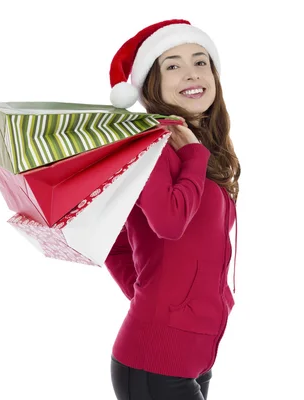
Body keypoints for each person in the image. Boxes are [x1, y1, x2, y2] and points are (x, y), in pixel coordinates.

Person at [104, 19, 240, 400]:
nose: (192, 73)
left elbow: (121, 236)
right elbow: (168, 223)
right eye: (173, 65)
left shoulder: (200, 145)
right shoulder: (154, 145)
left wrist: (162, 294)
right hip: (154, 360)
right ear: (152, 84)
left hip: (197, 355)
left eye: (200, 62)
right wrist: (160, 303)